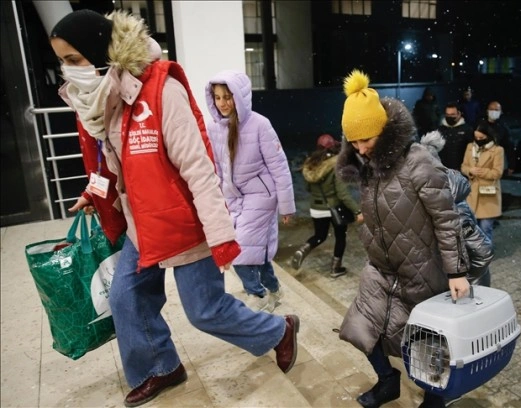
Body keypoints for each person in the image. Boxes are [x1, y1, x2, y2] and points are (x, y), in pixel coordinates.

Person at [50, 10, 299, 407]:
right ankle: (159, 366)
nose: (69, 70)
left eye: (74, 59)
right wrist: (95, 193)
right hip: (140, 222)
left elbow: (200, 170)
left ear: (101, 50)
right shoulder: (99, 99)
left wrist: (221, 238)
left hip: (182, 220)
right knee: (125, 298)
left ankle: (278, 330)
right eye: (62, 61)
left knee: (204, 311)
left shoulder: (161, 91)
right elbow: (113, 162)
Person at [336, 69, 470, 408]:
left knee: (427, 346)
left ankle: (434, 400)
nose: (361, 148)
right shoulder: (365, 164)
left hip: (421, 269)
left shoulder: (418, 161)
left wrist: (456, 272)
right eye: (353, 142)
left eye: (367, 139)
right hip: (381, 268)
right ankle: (387, 382)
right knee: (361, 328)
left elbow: (446, 219)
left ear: (383, 129)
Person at [205, 70, 296, 313]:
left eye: (228, 97)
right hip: (233, 198)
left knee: (239, 251)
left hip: (261, 196)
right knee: (258, 253)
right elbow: (216, 168)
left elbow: (279, 166)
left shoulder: (259, 124)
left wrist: (286, 206)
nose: (223, 103)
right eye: (217, 97)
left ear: (240, 96)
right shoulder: (213, 128)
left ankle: (257, 295)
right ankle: (274, 289)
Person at [420, 131, 494, 287]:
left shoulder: (452, 206)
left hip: (469, 291)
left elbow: (484, 252)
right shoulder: (439, 197)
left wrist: (460, 280)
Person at [291, 133, 362, 276]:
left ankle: (303, 249)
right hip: (334, 208)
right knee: (340, 237)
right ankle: (335, 268)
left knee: (319, 236)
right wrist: (357, 211)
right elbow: (342, 194)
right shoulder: (335, 165)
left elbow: (307, 188)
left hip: (316, 208)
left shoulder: (310, 164)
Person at [461, 122, 505, 245]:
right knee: (472, 228)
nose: (478, 140)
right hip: (472, 194)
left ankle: (485, 253)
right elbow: (464, 166)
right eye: (477, 138)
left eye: (482, 138)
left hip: (488, 194)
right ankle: (475, 253)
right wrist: (470, 170)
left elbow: (497, 173)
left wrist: (481, 172)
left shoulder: (497, 150)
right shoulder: (470, 147)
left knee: (486, 227)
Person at [436, 102, 473, 171]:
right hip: (443, 170)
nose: (450, 117)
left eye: (452, 114)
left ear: (459, 114)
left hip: (461, 170)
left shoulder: (467, 130)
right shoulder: (439, 130)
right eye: (447, 114)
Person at [482, 100, 515, 176]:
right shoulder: (479, 125)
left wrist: (511, 165)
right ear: (487, 111)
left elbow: (509, 147)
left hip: (497, 165)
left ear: (501, 112)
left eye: (496, 110)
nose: (493, 112)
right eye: (491, 109)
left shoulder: (504, 128)